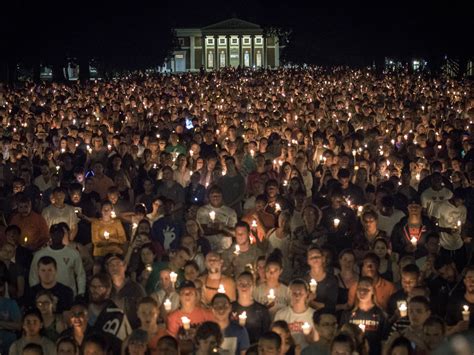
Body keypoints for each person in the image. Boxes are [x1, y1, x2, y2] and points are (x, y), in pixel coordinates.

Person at [29, 224, 86, 297]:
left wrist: (81, 292)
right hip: (47, 297)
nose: (56, 236)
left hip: (68, 296)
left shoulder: (73, 253)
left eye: (59, 233)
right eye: (54, 233)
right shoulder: (39, 255)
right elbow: (33, 276)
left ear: (63, 235)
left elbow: (80, 274)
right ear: (50, 235)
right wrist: (36, 293)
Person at [341, 276, 389, 355]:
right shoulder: (348, 314)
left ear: (373, 291)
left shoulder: (381, 315)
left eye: (366, 289)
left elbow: (384, 341)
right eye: (359, 288)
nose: (362, 292)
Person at [87, 273, 132, 352]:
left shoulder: (117, 315)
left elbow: (125, 343)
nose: (95, 290)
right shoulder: (82, 311)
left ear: (108, 290)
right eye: (93, 287)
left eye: (100, 287)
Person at [105, 253, 146, 329]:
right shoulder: (105, 288)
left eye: (118, 264)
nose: (115, 267)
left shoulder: (136, 288)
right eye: (111, 265)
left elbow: (144, 309)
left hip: (132, 329)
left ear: (125, 266)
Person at [231, 271, 271, 345]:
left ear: (254, 286)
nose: (244, 286)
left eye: (248, 283)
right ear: (236, 286)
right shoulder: (230, 308)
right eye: (240, 283)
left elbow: (266, 337)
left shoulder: (262, 311)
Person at [274, 279, 315, 350]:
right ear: (289, 294)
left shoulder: (314, 315)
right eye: (294, 293)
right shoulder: (281, 315)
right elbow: (275, 338)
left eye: (300, 293)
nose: (297, 296)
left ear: (307, 294)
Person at [306, 245, 339, 311]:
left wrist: (310, 302)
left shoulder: (332, 280)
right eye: (312, 257)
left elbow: (330, 305)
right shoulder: (303, 280)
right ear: (308, 261)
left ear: (323, 259)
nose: (315, 259)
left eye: (317, 256)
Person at [0, 277, 22, 355]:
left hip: (9, 345)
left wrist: (1, 324)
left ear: (1, 287)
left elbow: (19, 326)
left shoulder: (11, 304)